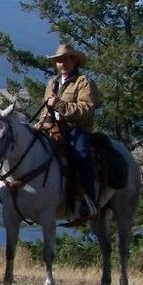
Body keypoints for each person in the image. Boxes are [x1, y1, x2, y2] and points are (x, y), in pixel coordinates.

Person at [41, 43, 100, 218]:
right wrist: (43, 122)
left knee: (81, 155)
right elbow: (46, 109)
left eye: (66, 59)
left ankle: (88, 200)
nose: (62, 63)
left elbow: (86, 109)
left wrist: (59, 104)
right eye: (59, 60)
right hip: (53, 129)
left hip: (77, 129)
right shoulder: (52, 83)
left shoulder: (83, 82)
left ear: (74, 61)